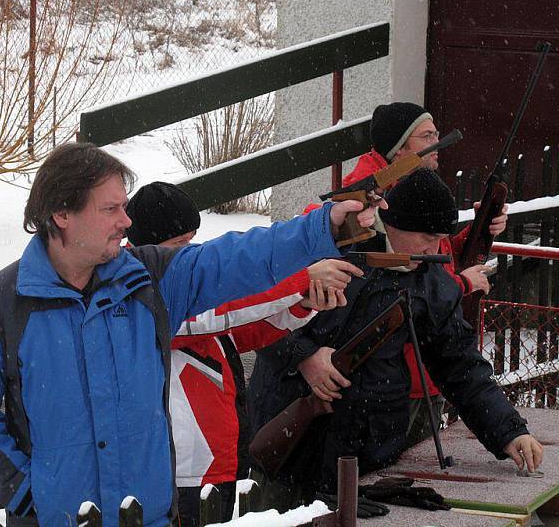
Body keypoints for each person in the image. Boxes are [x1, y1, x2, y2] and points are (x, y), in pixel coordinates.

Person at [0, 143, 380, 527]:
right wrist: (23, 489)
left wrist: (324, 227)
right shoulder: (2, 303)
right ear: (62, 214)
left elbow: (238, 257)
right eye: (110, 209)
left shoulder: (151, 279)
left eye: (125, 207)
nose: (126, 221)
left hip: (147, 517)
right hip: (56, 519)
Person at [251, 169, 542, 506]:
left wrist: (510, 432)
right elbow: (256, 314)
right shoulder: (326, 246)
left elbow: (460, 366)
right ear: (394, 224)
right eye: (426, 236)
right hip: (292, 439)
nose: (435, 248)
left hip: (367, 450)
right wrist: (304, 357)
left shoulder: (431, 281)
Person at [125, 182, 362, 526]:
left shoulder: (169, 283)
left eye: (191, 241)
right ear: (148, 248)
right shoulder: (143, 288)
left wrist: (301, 304)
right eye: (179, 245)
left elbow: (239, 332)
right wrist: (299, 280)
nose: (189, 251)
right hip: (183, 469)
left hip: (212, 458)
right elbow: (223, 311)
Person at [342, 101, 509, 448]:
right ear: (400, 148)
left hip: (423, 366)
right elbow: (389, 280)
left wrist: (478, 233)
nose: (438, 143)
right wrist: (462, 284)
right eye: (427, 136)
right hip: (396, 376)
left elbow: (433, 257)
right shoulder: (365, 197)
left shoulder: (414, 186)